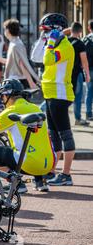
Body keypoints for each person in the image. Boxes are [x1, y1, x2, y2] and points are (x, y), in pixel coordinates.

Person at [0, 79, 55, 193]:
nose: (2, 100)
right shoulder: (34, 107)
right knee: (31, 144)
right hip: (48, 165)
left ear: (7, 95)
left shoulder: (11, 111)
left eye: (2, 96)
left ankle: (17, 184)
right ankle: (40, 182)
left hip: (30, 165)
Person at [39, 13, 76, 186]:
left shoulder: (65, 46)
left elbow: (47, 60)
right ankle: (52, 170)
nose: (44, 34)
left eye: (46, 31)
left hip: (60, 94)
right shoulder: (55, 45)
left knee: (65, 134)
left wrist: (51, 43)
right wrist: (48, 42)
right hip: (50, 94)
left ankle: (66, 174)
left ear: (56, 30)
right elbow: (38, 57)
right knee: (53, 135)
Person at [0, 19, 39, 89]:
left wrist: (31, 83)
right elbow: (14, 62)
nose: (4, 32)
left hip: (17, 82)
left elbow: (22, 64)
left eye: (5, 29)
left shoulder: (16, 45)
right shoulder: (14, 43)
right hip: (15, 80)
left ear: (8, 31)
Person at [67, 22, 91, 126]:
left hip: (66, 74)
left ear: (70, 30)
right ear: (80, 32)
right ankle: (77, 118)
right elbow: (84, 61)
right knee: (77, 97)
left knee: (65, 96)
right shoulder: (80, 44)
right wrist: (87, 74)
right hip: (77, 74)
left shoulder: (65, 42)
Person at [84, 19, 93, 121]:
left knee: (89, 92)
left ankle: (88, 113)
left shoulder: (85, 39)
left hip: (89, 68)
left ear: (89, 28)